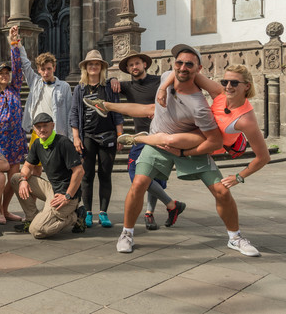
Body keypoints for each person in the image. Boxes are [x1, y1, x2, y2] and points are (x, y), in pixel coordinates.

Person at [116, 44, 262, 257]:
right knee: (138, 183)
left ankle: (235, 237)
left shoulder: (207, 106)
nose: (183, 67)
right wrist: (163, 88)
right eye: (179, 63)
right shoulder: (175, 77)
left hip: (193, 145)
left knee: (221, 191)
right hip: (161, 142)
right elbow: (173, 76)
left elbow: (214, 141)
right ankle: (126, 233)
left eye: (189, 64)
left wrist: (238, 176)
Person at [84, 50, 185, 230]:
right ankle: (172, 205)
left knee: (155, 177)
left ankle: (149, 213)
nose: (134, 67)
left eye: (137, 63)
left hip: (162, 135)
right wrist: (113, 80)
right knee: (135, 173)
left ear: (144, 64)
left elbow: (175, 84)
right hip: (141, 137)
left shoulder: (158, 82)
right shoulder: (127, 86)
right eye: (130, 65)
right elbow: (106, 84)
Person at [69, 50, 123, 228]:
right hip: (88, 137)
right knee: (87, 175)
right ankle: (89, 212)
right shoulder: (80, 88)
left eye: (97, 64)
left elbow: (117, 112)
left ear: (101, 67)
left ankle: (104, 212)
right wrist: (76, 137)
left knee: (105, 174)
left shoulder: (109, 87)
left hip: (108, 136)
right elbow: (75, 113)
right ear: (85, 67)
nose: (93, 66)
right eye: (90, 64)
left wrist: (120, 135)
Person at [11, 113, 86, 238]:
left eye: (45, 125)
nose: (42, 129)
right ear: (34, 128)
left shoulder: (63, 142)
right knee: (16, 178)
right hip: (51, 188)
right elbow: (27, 167)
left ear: (53, 125)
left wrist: (68, 196)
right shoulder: (37, 144)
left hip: (66, 194)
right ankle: (32, 218)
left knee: (36, 231)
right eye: (38, 126)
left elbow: (79, 171)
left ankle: (75, 217)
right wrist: (23, 179)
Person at [0, 26, 27, 224]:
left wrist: (14, 43)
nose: (5, 75)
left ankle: (6, 209)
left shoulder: (15, 88)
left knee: (13, 177)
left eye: (6, 73)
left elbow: (18, 67)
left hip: (15, 140)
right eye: (0, 73)